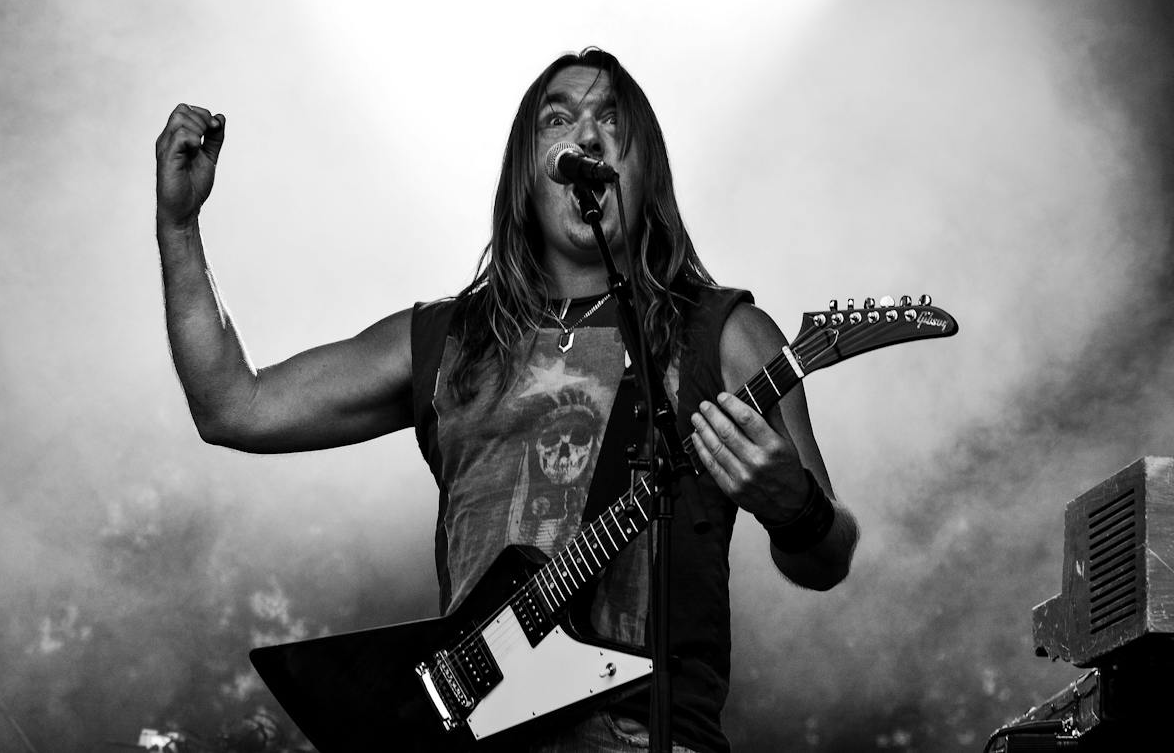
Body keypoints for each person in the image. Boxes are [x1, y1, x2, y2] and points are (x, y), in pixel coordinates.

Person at [155, 49, 859, 752]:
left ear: (648, 169)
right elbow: (234, 406)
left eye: (613, 119)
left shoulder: (725, 336)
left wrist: (790, 505)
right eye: (560, 118)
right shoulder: (448, 339)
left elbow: (826, 560)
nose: (588, 136)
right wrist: (180, 230)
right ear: (528, 172)